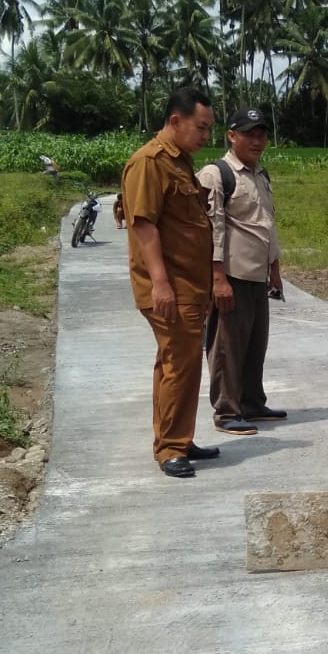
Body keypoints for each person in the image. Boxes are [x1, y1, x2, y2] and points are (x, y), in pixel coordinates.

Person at [119, 85, 224, 479]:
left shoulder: (179, 162)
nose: (205, 136)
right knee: (178, 364)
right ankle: (170, 448)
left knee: (177, 364)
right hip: (170, 287)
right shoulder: (149, 162)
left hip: (188, 286)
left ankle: (179, 435)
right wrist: (160, 284)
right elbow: (144, 226)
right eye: (201, 127)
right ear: (176, 121)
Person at [197, 107, 286, 436]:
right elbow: (212, 230)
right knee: (227, 346)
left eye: (261, 134)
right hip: (230, 275)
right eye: (249, 134)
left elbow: (267, 225)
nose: (257, 140)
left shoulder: (260, 174)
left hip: (256, 275)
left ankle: (251, 402)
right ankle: (226, 410)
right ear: (231, 135)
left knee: (254, 344)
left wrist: (275, 269)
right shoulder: (216, 174)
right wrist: (217, 278)